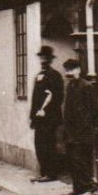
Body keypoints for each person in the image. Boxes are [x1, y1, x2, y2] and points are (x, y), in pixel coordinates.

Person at [60, 57, 98, 195]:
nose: (68, 73)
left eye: (70, 69)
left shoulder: (86, 86)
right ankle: (78, 188)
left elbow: (95, 110)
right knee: (72, 160)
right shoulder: (70, 86)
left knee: (81, 160)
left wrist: (89, 127)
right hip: (71, 131)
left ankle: (92, 188)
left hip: (83, 131)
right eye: (66, 70)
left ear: (78, 69)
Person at [29, 44, 65, 183]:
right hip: (38, 118)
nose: (43, 60)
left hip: (49, 118)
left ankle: (51, 173)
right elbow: (35, 98)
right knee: (39, 144)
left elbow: (58, 97)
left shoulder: (54, 75)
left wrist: (46, 111)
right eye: (41, 57)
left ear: (50, 60)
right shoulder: (39, 75)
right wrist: (33, 117)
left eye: (45, 58)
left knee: (48, 145)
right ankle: (44, 172)